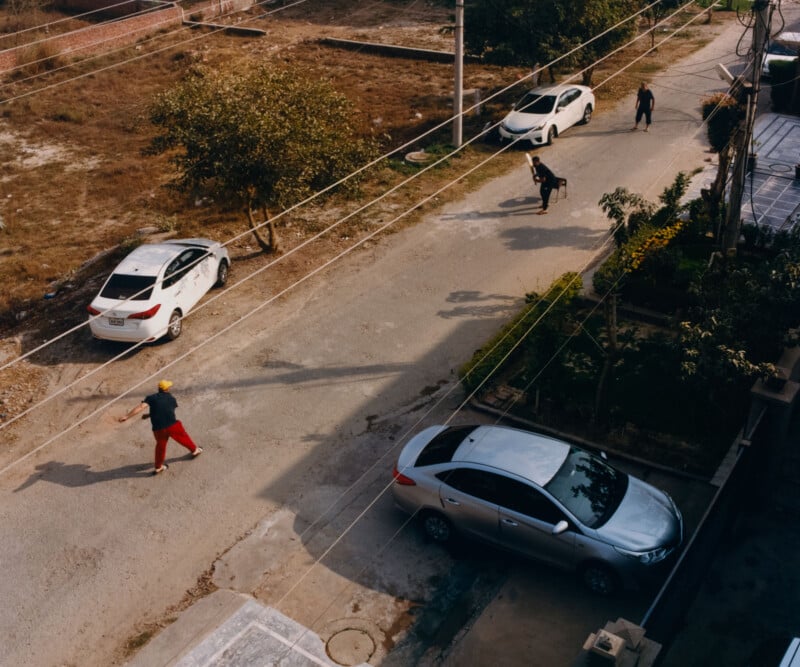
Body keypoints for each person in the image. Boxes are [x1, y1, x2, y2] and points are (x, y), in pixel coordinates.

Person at [119, 379, 202, 474]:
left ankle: (158, 467)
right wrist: (150, 415)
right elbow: (166, 410)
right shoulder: (171, 399)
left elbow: (141, 407)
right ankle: (195, 450)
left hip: (158, 429)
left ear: (159, 388)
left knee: (160, 447)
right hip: (172, 425)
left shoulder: (151, 398)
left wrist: (127, 416)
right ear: (167, 389)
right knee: (183, 437)